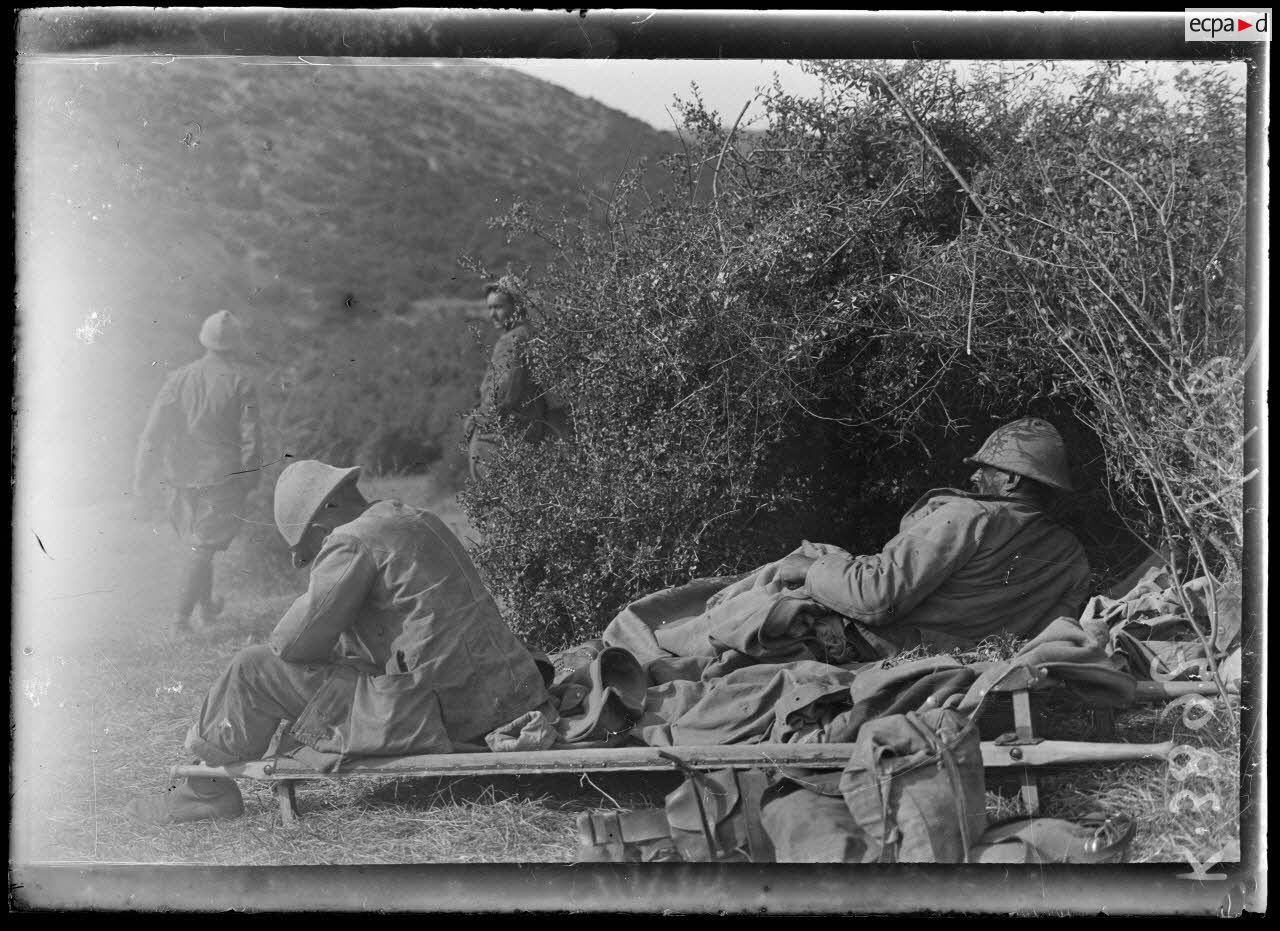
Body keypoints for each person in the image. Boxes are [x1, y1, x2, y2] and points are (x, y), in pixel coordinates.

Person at [126, 459, 550, 825]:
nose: (313, 556)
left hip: (436, 714)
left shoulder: (353, 539)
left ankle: (206, 792)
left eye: (309, 546)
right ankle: (204, 785)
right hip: (502, 698)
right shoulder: (417, 518)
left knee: (252, 668)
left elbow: (292, 644)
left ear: (325, 512)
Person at [775, 417, 1092, 653]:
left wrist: (809, 569)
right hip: (972, 667)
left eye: (986, 468)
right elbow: (1046, 638)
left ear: (1010, 479)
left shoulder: (971, 516)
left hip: (879, 650)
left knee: (772, 589)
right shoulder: (1072, 556)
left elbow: (876, 598)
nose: (975, 475)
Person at [133, 309, 263, 634]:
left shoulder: (177, 379)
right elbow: (252, 438)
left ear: (203, 340)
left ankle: (206, 609)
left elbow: (152, 433)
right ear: (234, 345)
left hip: (181, 478)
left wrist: (141, 478)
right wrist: (250, 477)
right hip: (222, 478)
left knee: (199, 545)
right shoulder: (241, 383)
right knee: (203, 547)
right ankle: (181, 619)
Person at [465, 276, 549, 481]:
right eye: (490, 307)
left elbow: (502, 395)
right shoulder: (530, 334)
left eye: (499, 307)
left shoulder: (513, 340)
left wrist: (475, 421)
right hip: (528, 434)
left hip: (500, 439)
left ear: (517, 306)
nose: (492, 314)